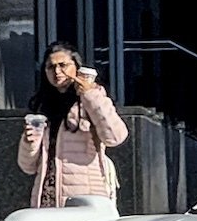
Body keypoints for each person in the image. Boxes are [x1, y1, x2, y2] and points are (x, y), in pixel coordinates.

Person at [18, 42, 127, 209]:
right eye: (50, 67)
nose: (57, 72)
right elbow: (27, 167)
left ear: (76, 67)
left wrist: (90, 94)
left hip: (85, 196)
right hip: (48, 200)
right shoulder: (43, 107)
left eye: (63, 65)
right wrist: (29, 142)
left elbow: (116, 137)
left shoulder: (92, 97)